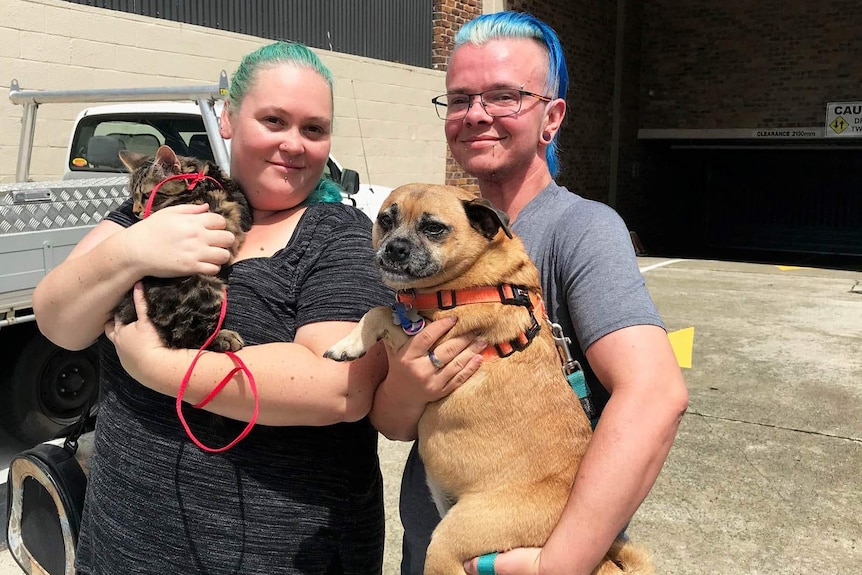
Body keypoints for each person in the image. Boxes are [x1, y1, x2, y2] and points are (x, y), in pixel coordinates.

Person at [32, 42, 393, 575]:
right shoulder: (166, 201)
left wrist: (157, 367)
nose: (293, 145)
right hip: (123, 545)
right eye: (274, 120)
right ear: (227, 118)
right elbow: (57, 319)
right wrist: (133, 249)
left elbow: (338, 388)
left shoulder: (337, 235)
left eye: (314, 129)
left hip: (280, 556)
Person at [369, 11, 689, 575]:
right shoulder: (437, 221)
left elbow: (655, 395)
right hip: (432, 544)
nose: (476, 115)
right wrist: (409, 382)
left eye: (504, 96)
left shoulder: (580, 229)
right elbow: (396, 426)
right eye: (460, 97)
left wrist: (557, 567)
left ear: (552, 116)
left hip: (521, 553)